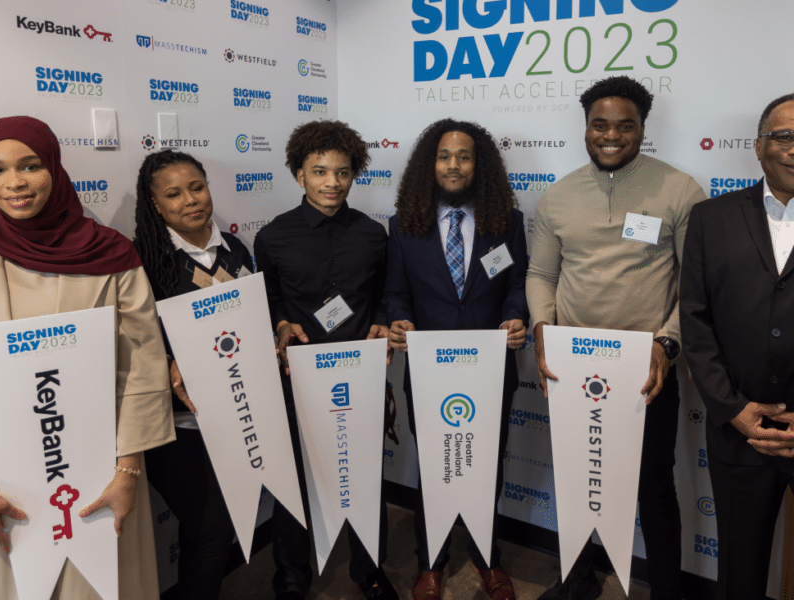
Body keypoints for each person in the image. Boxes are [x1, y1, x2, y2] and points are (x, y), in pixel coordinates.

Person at [526, 76, 706, 600]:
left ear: (643, 130)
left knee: (653, 488)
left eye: (625, 126)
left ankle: (666, 590)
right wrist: (543, 330)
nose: (611, 135)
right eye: (600, 124)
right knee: (581, 480)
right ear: (585, 128)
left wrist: (667, 344)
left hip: (649, 369)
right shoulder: (558, 196)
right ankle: (579, 579)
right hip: (573, 369)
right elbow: (541, 276)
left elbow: (694, 288)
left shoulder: (678, 190)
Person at [0, 116, 174, 599]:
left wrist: (128, 469)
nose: (13, 183)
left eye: (29, 166)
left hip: (102, 473)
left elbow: (140, 365)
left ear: (53, 167)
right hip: (5, 487)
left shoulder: (110, 253)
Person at [384, 118, 528, 600]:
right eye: (444, 156)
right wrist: (400, 319)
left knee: (488, 464)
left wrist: (513, 317)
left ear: (478, 163)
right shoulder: (404, 225)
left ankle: (488, 559)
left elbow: (516, 285)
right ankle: (431, 562)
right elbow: (396, 293)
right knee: (435, 466)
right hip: (430, 372)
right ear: (431, 164)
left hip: (490, 369)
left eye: (463, 156)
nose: (453, 164)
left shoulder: (506, 221)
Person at [254, 120, 398, 600]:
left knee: (364, 477)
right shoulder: (272, 237)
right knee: (293, 483)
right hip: (299, 380)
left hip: (361, 374)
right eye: (319, 172)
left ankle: (370, 571)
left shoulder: (375, 235)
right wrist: (279, 325)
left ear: (354, 173)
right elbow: (269, 299)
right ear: (299, 175)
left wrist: (380, 318)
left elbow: (383, 295)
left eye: (342, 172)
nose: (332, 182)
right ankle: (291, 580)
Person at [680, 92, 794, 600]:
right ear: (758, 146)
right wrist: (733, 408)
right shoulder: (710, 218)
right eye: (784, 136)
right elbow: (696, 323)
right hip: (738, 430)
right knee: (741, 575)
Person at [134, 149, 254, 599]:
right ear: (155, 203)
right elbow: (131, 337)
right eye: (174, 194)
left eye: (196, 187)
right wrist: (168, 357)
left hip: (236, 415)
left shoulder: (236, 249)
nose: (190, 200)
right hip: (180, 427)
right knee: (210, 531)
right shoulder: (142, 258)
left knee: (211, 533)